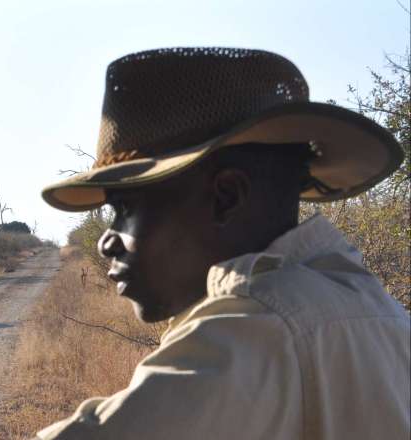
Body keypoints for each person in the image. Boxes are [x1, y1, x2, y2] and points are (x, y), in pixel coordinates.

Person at [38, 47, 410, 439]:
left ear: (226, 196)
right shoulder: (372, 306)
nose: (106, 243)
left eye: (126, 208)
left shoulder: (258, 328)